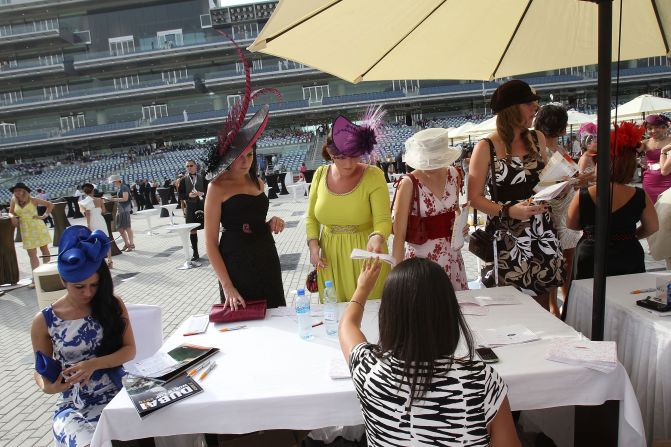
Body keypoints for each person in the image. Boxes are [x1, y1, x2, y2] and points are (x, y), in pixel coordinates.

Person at [340, 257, 520, 446]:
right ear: (449, 314)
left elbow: (347, 325)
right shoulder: (482, 380)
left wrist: (362, 288)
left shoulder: (369, 371)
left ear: (388, 317)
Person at [30, 226, 136, 447]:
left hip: (117, 393)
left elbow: (129, 350)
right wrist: (48, 386)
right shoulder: (44, 320)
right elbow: (40, 370)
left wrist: (93, 364)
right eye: (79, 286)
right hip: (73, 404)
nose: (88, 293)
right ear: (63, 281)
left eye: (94, 285)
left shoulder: (111, 304)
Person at [204, 42, 286, 310]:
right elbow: (210, 244)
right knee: (244, 320)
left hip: (266, 253)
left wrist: (272, 221)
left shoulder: (257, 182)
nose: (245, 160)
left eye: (250, 155)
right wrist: (227, 284)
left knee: (274, 311)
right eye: (239, 156)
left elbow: (255, 220)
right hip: (235, 260)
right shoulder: (217, 187)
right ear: (228, 157)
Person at [468, 80, 564, 308]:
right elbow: (474, 197)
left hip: (542, 231)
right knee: (511, 307)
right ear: (513, 108)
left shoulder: (537, 138)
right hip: (507, 239)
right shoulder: (486, 147)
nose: (536, 109)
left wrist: (560, 184)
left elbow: (543, 183)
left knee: (541, 301)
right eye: (529, 104)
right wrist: (508, 210)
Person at [306, 108, 392, 302]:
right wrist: (313, 247)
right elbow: (311, 217)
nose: (348, 164)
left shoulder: (373, 175)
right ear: (329, 152)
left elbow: (383, 219)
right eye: (341, 157)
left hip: (366, 254)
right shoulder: (320, 175)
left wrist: (378, 237)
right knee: (335, 315)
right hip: (330, 258)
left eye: (355, 156)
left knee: (371, 312)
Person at [568, 122, 659, 280]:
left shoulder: (583, 195)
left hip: (591, 253)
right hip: (628, 253)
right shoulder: (639, 195)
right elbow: (652, 227)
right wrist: (630, 236)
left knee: (589, 300)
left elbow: (572, 224)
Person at [391, 127, 468, 291]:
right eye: (427, 160)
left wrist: (460, 226)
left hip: (453, 257)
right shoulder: (409, 183)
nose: (431, 166)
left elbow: (455, 211)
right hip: (422, 262)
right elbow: (399, 236)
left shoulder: (454, 174)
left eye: (436, 160)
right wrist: (395, 280)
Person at [534, 104, 582, 317]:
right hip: (557, 209)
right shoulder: (545, 151)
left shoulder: (545, 150)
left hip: (559, 208)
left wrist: (576, 180)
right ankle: (562, 305)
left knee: (557, 260)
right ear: (562, 129)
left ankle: (558, 305)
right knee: (562, 261)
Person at [8, 182, 53, 277]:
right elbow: (10, 212)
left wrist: (44, 216)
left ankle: (47, 273)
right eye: (16, 191)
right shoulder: (13, 200)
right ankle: (36, 277)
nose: (17, 192)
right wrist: (12, 217)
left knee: (44, 249)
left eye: (19, 190)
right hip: (25, 229)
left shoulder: (33, 200)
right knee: (31, 254)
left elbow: (50, 205)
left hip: (37, 226)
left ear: (24, 191)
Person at [178, 160, 207, 261]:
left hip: (203, 206)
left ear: (195, 166)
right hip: (190, 207)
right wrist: (188, 195)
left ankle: (212, 251)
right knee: (192, 230)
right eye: (187, 166)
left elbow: (209, 191)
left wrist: (202, 193)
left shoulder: (203, 178)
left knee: (208, 228)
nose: (189, 167)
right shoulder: (183, 180)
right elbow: (180, 195)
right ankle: (195, 252)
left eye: (191, 165)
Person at [79, 183, 113, 268]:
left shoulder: (82, 202)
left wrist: (88, 225)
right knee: (106, 240)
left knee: (96, 241)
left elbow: (87, 214)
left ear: (84, 192)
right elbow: (104, 211)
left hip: (92, 222)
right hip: (101, 220)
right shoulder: (100, 200)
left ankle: (102, 261)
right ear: (93, 190)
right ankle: (110, 260)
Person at [640, 114, 671, 203]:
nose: (653, 131)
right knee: (652, 209)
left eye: (657, 127)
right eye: (649, 128)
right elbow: (631, 152)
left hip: (668, 180)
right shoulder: (644, 143)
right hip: (650, 181)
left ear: (665, 127)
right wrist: (641, 161)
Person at [107, 175, 135, 252]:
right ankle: (127, 244)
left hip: (124, 209)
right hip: (121, 209)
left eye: (113, 182)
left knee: (127, 227)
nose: (113, 183)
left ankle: (131, 244)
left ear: (116, 181)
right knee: (120, 228)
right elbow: (123, 197)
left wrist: (114, 199)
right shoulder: (121, 187)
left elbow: (125, 198)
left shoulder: (124, 187)